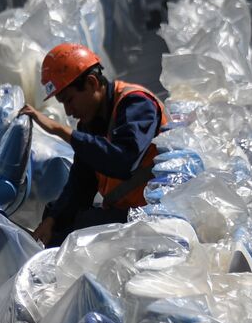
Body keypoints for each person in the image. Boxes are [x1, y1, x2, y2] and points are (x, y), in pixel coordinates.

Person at [20, 43, 165, 247]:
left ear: (91, 83)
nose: (69, 111)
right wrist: (52, 220)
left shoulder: (136, 105)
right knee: (58, 220)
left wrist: (62, 131)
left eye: (69, 100)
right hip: (127, 211)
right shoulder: (91, 123)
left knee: (82, 227)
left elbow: (123, 161)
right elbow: (81, 183)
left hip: (155, 214)